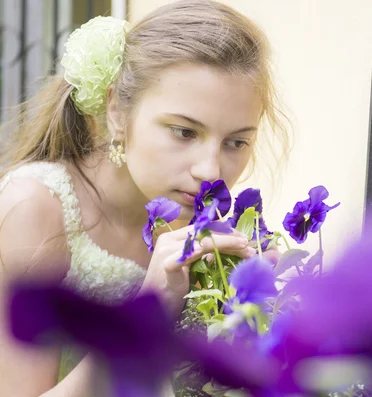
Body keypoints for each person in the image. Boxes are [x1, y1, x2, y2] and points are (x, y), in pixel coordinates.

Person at [0, 0, 289, 395]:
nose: (211, 170)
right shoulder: (37, 207)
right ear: (117, 109)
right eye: (184, 132)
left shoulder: (201, 222)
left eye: (236, 141)